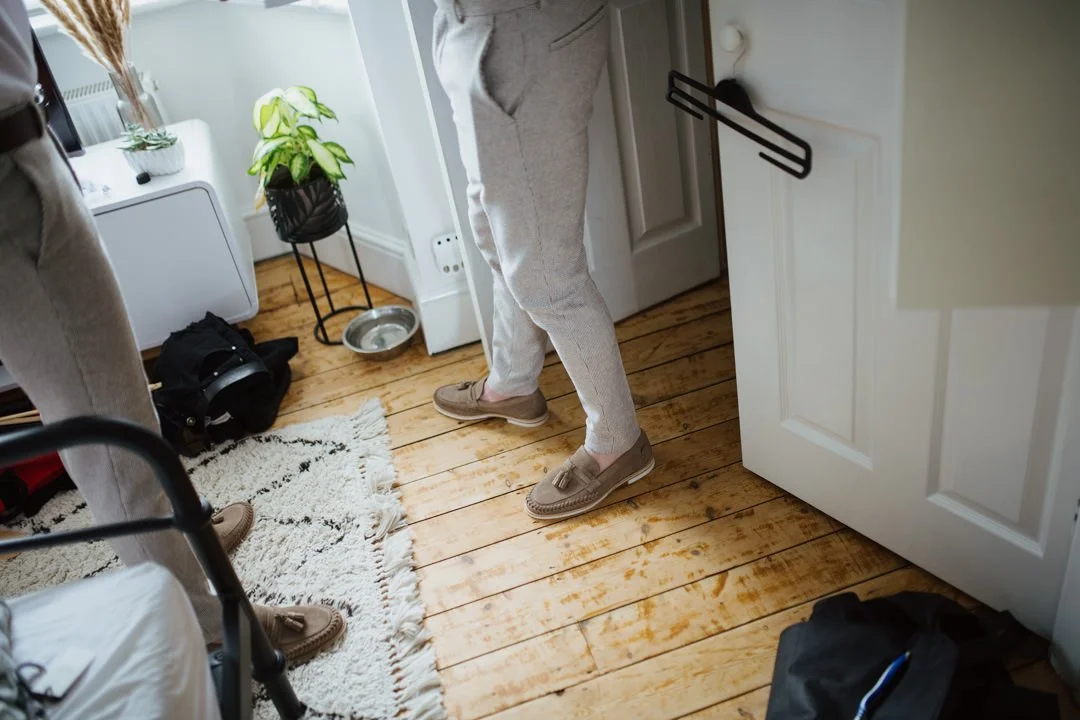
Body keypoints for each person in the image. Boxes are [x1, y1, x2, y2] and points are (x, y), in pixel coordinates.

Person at [0, 0, 343, 664]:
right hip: (7, 173)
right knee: (108, 425)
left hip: (23, 148)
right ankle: (206, 622)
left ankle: (177, 538)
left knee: (111, 398)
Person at [431, 0, 654, 520]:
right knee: (494, 230)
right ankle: (513, 384)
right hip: (466, 25)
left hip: (516, 28)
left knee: (549, 276)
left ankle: (618, 441)